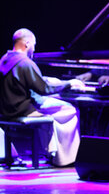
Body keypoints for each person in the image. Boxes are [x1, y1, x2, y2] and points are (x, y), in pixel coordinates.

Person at [0, 28, 85, 167]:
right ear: (27, 43)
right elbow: (44, 89)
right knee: (70, 110)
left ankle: (53, 153)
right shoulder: (25, 62)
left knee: (53, 109)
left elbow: (22, 81)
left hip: (7, 110)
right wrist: (69, 83)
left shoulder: (5, 58)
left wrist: (45, 79)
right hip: (23, 110)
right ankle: (65, 158)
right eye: (34, 44)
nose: (34, 49)